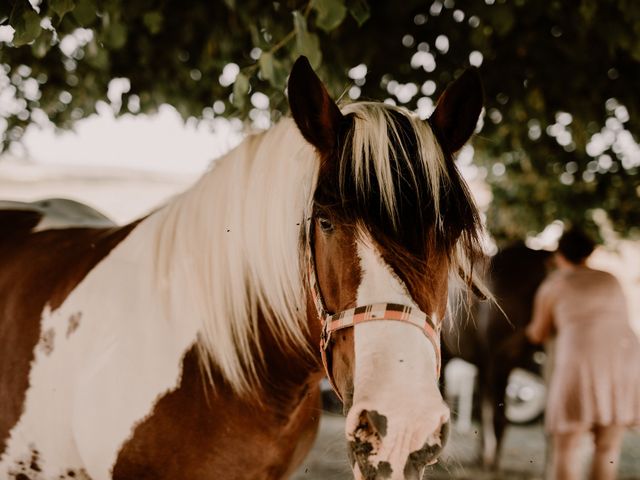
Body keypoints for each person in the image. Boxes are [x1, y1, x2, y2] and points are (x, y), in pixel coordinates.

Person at [526, 227, 640, 480]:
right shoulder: (611, 279)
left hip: (581, 363)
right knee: (608, 447)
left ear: (559, 255)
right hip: (625, 360)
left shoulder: (555, 284)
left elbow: (538, 333)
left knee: (566, 449)